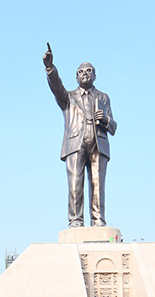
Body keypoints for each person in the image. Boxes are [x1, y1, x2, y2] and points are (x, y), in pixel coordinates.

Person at [43, 45, 117, 228]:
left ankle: (98, 221)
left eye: (89, 71)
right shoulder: (68, 97)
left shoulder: (104, 97)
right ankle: (76, 221)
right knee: (75, 185)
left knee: (98, 185)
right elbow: (56, 88)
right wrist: (50, 69)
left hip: (98, 143)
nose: (85, 73)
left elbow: (114, 127)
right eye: (81, 72)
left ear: (95, 75)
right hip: (75, 143)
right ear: (76, 77)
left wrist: (106, 119)